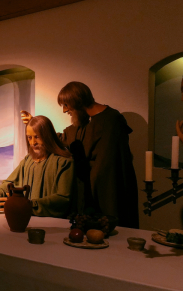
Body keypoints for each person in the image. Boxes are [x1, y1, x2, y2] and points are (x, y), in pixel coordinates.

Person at [21, 81, 139, 228]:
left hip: (108, 193)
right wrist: (37, 126)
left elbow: (110, 166)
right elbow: (60, 139)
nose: (64, 111)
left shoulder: (111, 120)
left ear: (77, 101)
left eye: (66, 105)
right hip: (88, 194)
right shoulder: (83, 125)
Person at [0, 116, 76, 218]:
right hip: (24, 219)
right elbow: (9, 183)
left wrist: (29, 204)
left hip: (53, 226)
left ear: (48, 136)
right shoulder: (28, 161)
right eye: (29, 138)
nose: (33, 143)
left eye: (37, 137)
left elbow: (63, 199)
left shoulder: (64, 162)